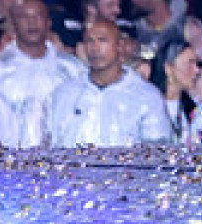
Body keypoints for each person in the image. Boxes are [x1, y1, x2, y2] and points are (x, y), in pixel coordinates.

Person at [46, 18, 177, 147]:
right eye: (89, 41)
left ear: (119, 46)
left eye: (102, 40)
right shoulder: (65, 94)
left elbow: (158, 152)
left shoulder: (146, 97)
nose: (95, 48)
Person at [0, 0, 87, 148]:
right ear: (14, 24)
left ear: (49, 22)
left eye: (38, 16)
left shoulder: (73, 70)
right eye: (24, 17)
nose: (32, 22)